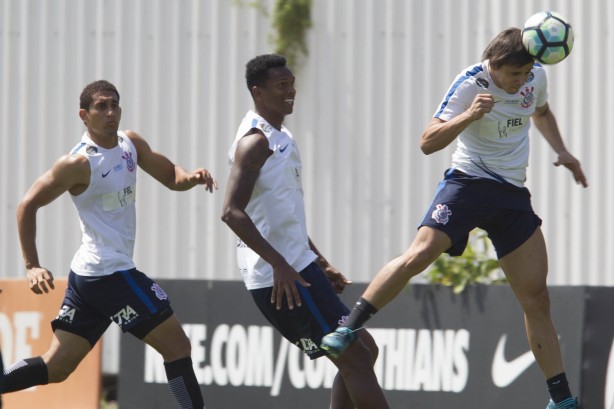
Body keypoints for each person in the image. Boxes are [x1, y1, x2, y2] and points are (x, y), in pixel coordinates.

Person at [320, 28, 586, 409]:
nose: (521, 82)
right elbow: (427, 142)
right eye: (514, 75)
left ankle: (561, 401)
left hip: (511, 195)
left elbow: (540, 111)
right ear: (492, 66)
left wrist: (562, 150)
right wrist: (469, 115)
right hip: (468, 185)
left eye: (527, 73)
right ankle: (348, 329)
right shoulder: (468, 84)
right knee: (420, 254)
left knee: (536, 298)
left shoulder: (535, 77)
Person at [1, 80, 217, 409]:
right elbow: (26, 206)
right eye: (101, 106)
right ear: (83, 115)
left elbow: (171, 175)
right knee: (178, 347)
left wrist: (191, 177)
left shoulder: (130, 144)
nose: (110, 111)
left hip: (90, 276)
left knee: (57, 367)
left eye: (114, 104)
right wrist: (32, 265)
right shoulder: (77, 164)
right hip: (109, 273)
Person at [221, 54, 389, 409]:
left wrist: (321, 262)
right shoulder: (255, 142)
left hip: (299, 266)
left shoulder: (282, 136)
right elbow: (231, 213)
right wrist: (281, 265)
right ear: (258, 91)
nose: (291, 91)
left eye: (292, 83)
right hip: (280, 279)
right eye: (282, 85)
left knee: (363, 350)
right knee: (355, 359)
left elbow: (285, 216)